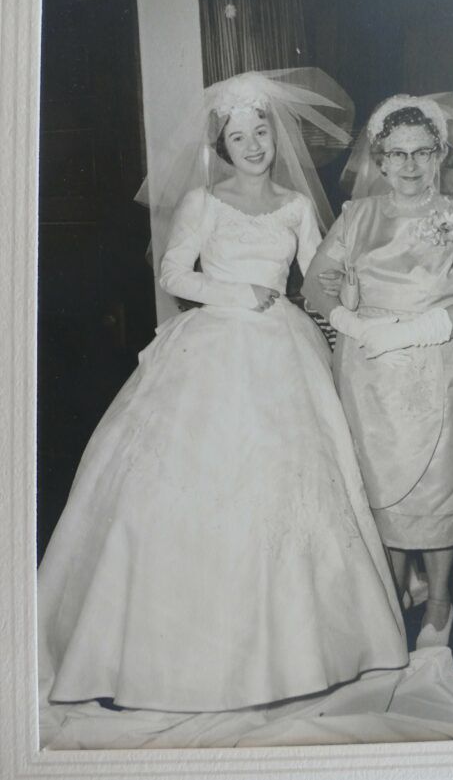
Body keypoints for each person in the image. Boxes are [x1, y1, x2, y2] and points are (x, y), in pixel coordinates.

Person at [37, 69, 408, 715]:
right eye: (239, 135)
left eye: (261, 129)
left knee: (291, 487)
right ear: (223, 145)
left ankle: (300, 650)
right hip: (210, 345)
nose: (254, 143)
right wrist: (234, 292)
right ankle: (174, 654)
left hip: (283, 352)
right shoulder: (203, 202)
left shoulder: (295, 205)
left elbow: (320, 277)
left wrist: (369, 287)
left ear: (276, 133)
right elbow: (175, 270)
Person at [302, 94, 453, 649]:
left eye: (422, 153)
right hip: (368, 371)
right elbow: (315, 282)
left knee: (440, 484)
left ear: (441, 155)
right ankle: (393, 589)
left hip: (442, 364)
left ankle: (438, 601)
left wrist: (408, 332)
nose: (409, 166)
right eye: (397, 154)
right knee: (381, 484)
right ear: (379, 159)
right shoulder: (357, 216)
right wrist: (350, 321)